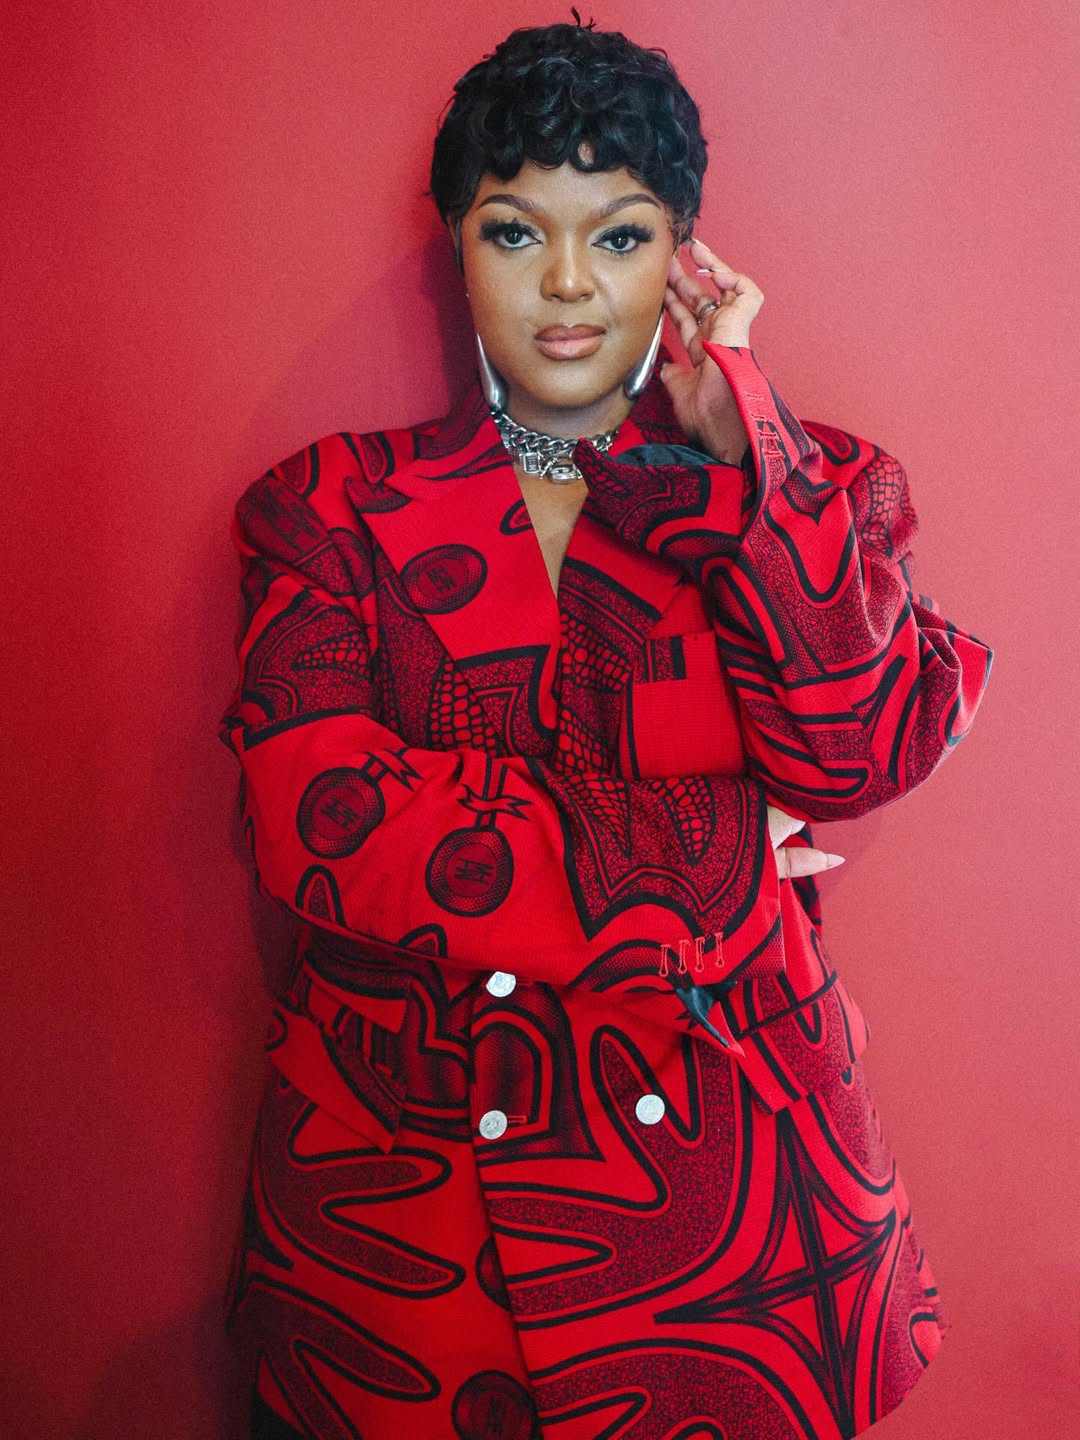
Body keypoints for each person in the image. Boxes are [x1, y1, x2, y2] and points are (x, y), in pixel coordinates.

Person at [219, 18, 992, 1440]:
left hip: (734, 1221)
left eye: (621, 236)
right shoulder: (329, 508)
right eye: (516, 232)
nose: (568, 284)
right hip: (410, 1217)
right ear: (459, 247)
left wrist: (744, 444)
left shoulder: (803, 488)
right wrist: (720, 841)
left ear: (687, 262)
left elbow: (857, 751)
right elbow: (321, 819)